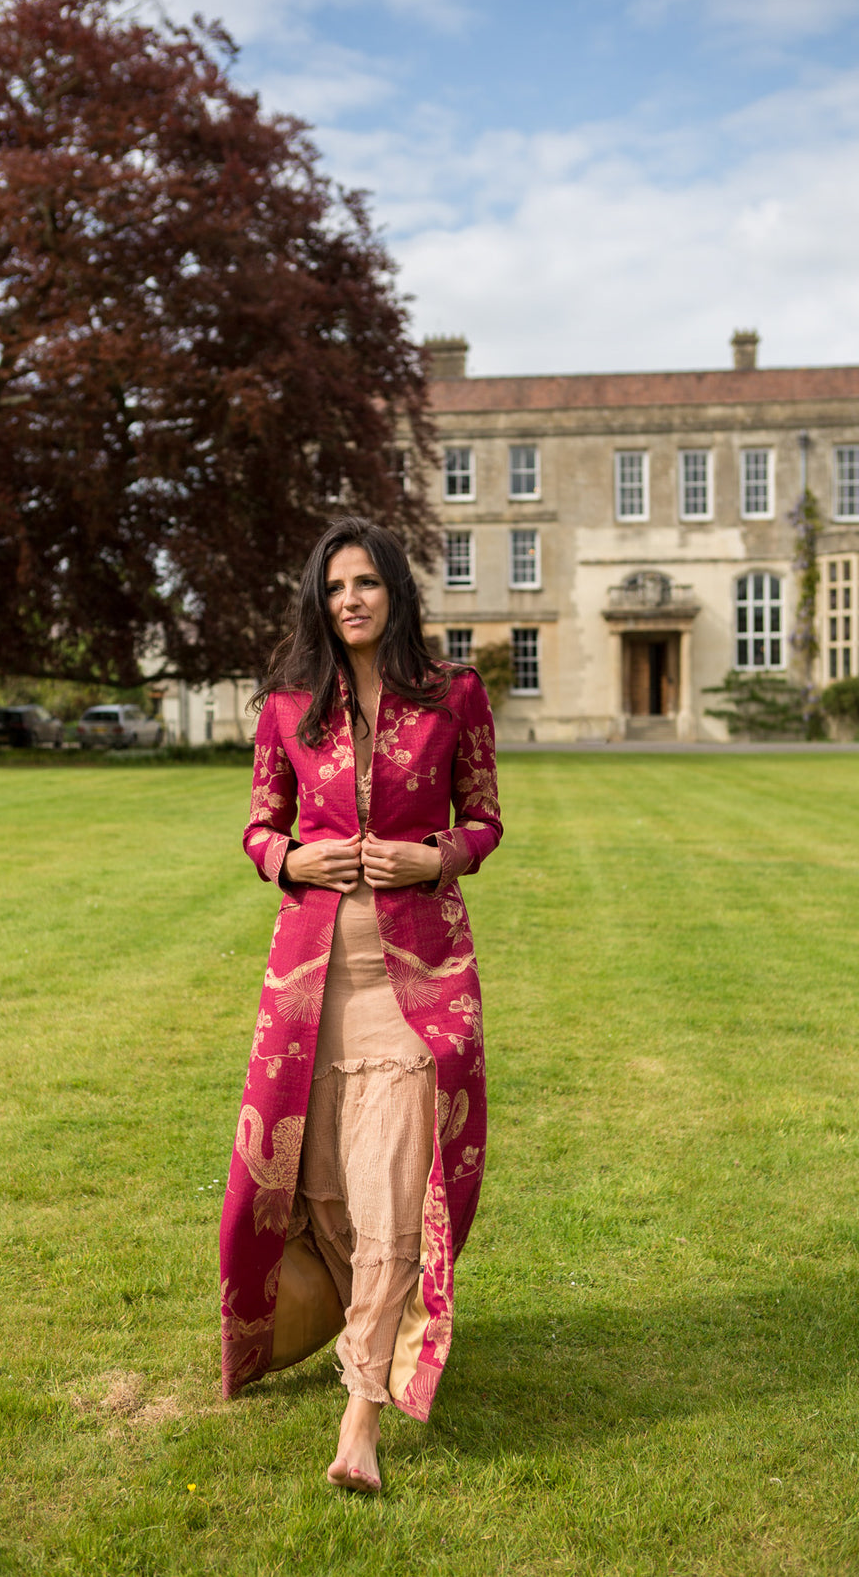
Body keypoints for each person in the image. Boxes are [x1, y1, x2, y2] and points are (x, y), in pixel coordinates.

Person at [219, 515, 502, 1494]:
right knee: (328, 1192)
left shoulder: (454, 696)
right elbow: (259, 829)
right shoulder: (290, 705)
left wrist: (436, 856)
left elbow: (486, 819)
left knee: (392, 1191)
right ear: (319, 599)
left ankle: (360, 1421)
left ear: (397, 592)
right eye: (336, 586)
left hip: (420, 981)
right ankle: (363, 1329)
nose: (351, 599)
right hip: (313, 991)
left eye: (368, 583)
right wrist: (293, 858)